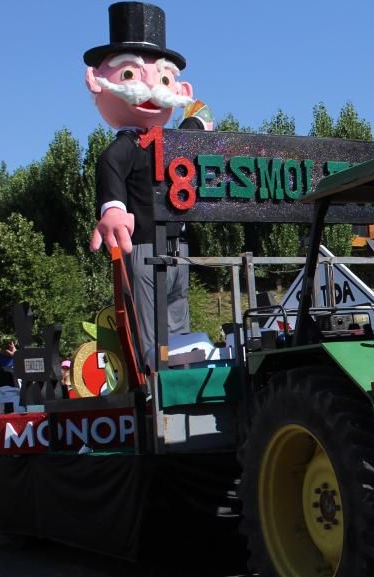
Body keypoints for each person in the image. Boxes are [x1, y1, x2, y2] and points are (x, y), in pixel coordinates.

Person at [84, 2, 213, 354]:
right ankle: (154, 385)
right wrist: (112, 209)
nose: (153, 89)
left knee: (177, 319)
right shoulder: (125, 145)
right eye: (130, 75)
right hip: (142, 243)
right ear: (97, 82)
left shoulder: (170, 144)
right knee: (149, 330)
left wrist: (196, 126)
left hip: (177, 246)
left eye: (164, 79)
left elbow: (202, 118)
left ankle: (181, 373)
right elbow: (109, 164)